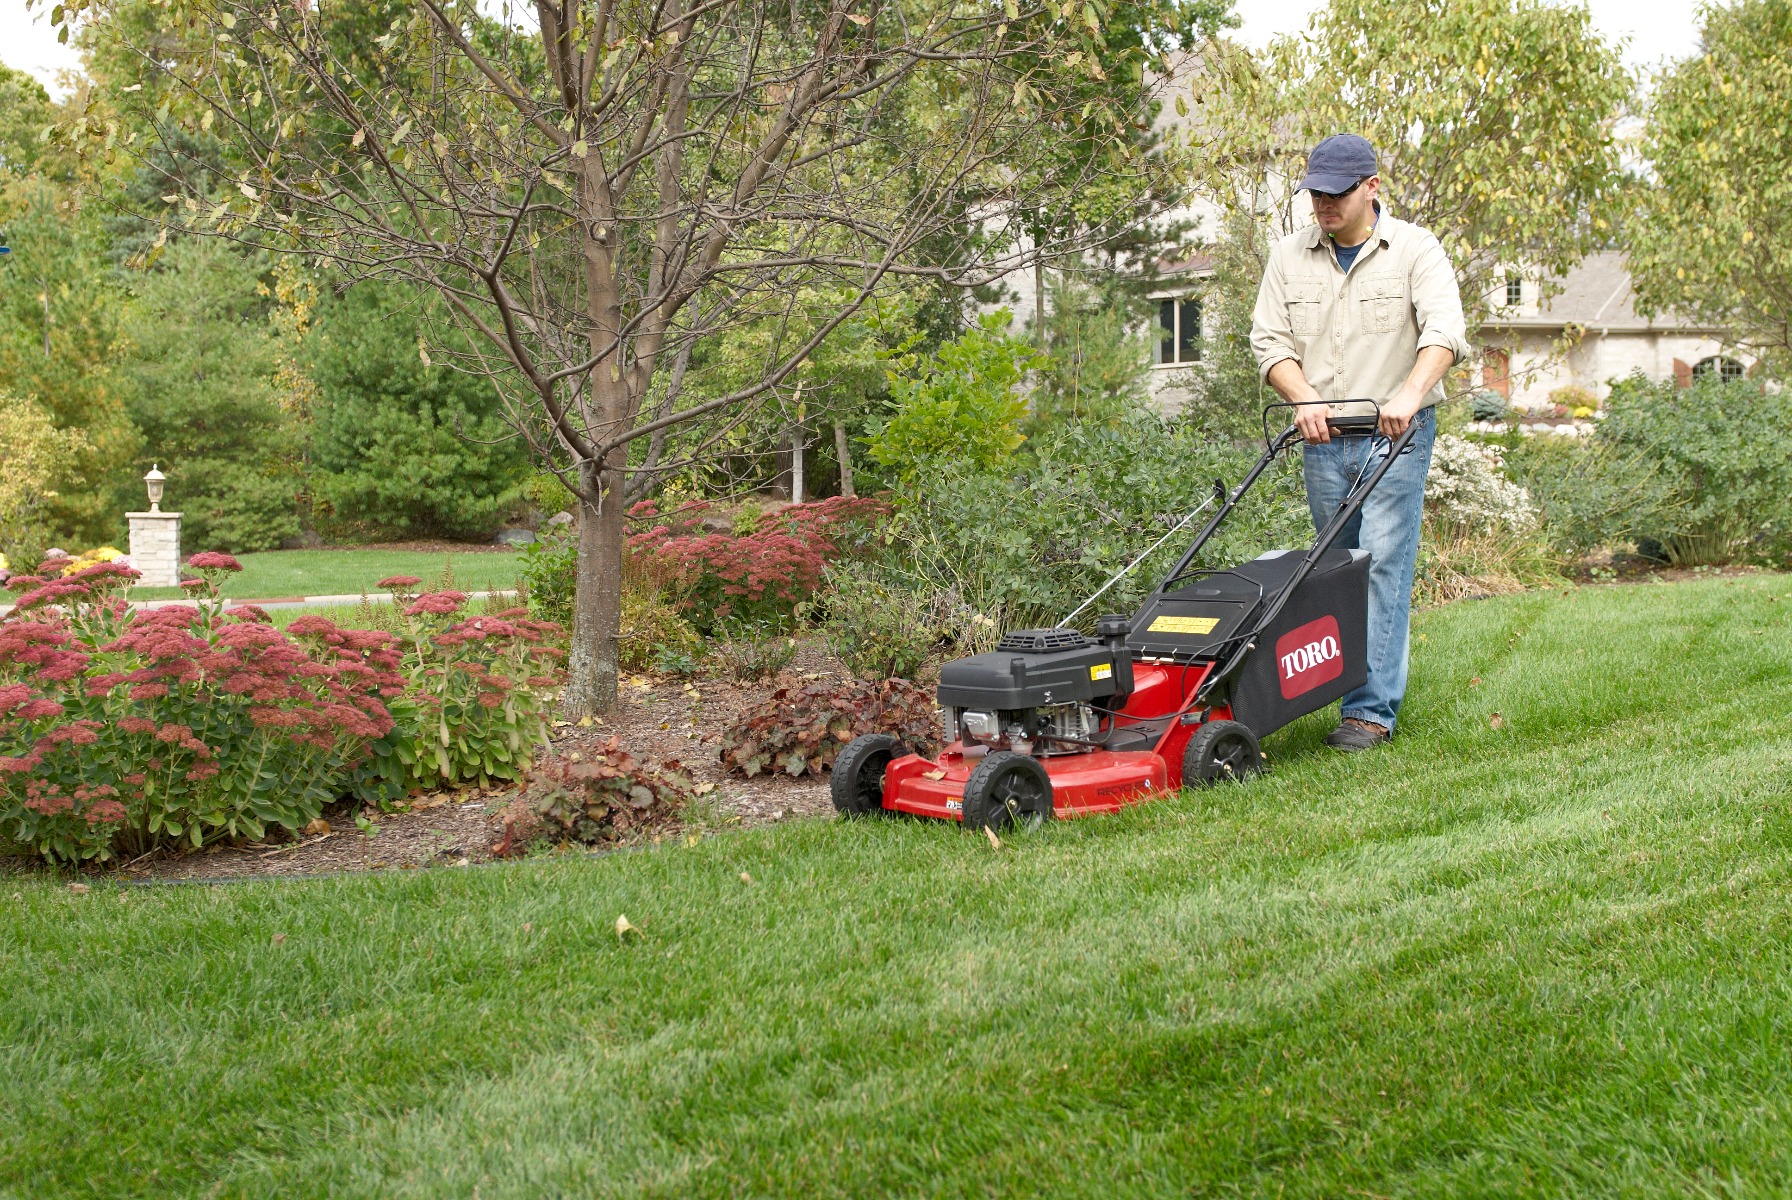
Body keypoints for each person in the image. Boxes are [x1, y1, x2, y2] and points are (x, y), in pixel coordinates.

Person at [1250, 133, 1469, 751]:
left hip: (1396, 435)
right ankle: (1335, 688)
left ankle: (1369, 712)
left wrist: (1410, 393)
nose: (1323, 204)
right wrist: (1304, 398)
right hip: (1323, 438)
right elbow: (1269, 341)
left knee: (1382, 565)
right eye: (1315, 193)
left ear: (1372, 187)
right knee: (1336, 572)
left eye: (1336, 193)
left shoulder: (1415, 249)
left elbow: (1446, 330)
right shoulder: (1289, 256)